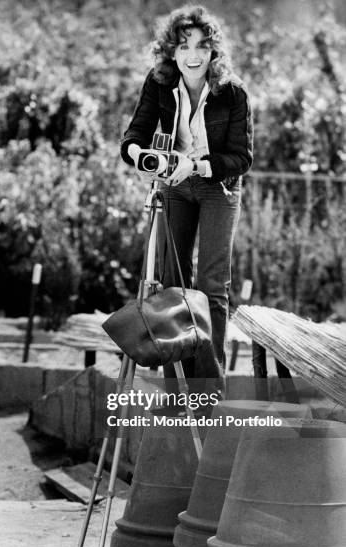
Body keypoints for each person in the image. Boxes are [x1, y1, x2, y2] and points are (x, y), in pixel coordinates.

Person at [120, 4, 253, 398]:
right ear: (170, 52)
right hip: (173, 187)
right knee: (172, 286)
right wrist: (148, 160)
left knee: (212, 287)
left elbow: (242, 159)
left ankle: (208, 392)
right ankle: (177, 388)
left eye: (201, 46)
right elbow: (133, 138)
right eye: (183, 47)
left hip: (218, 188)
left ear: (214, 51)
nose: (192, 56)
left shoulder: (233, 92)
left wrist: (196, 165)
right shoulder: (159, 83)